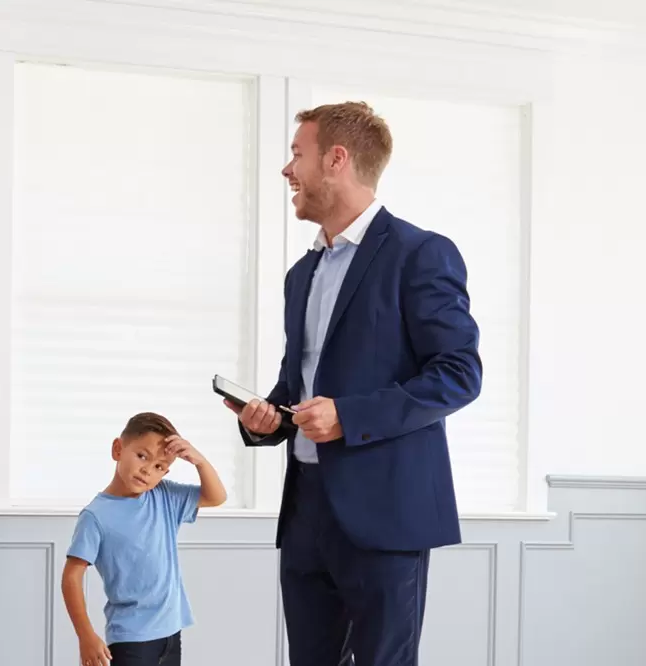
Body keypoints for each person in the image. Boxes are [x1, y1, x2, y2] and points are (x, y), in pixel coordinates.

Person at [229, 101, 482, 666]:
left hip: (385, 514)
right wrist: (266, 418)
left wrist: (349, 416)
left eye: (298, 154)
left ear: (336, 160)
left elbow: (460, 373)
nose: (287, 169)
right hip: (305, 512)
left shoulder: (421, 254)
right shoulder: (302, 274)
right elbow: (298, 385)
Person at [60, 413, 227, 666]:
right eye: (142, 456)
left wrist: (199, 461)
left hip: (171, 632)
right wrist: (86, 636)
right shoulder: (95, 516)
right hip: (132, 640)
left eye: (159, 466)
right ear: (118, 449)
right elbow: (71, 577)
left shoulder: (164, 495)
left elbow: (216, 497)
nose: (148, 470)